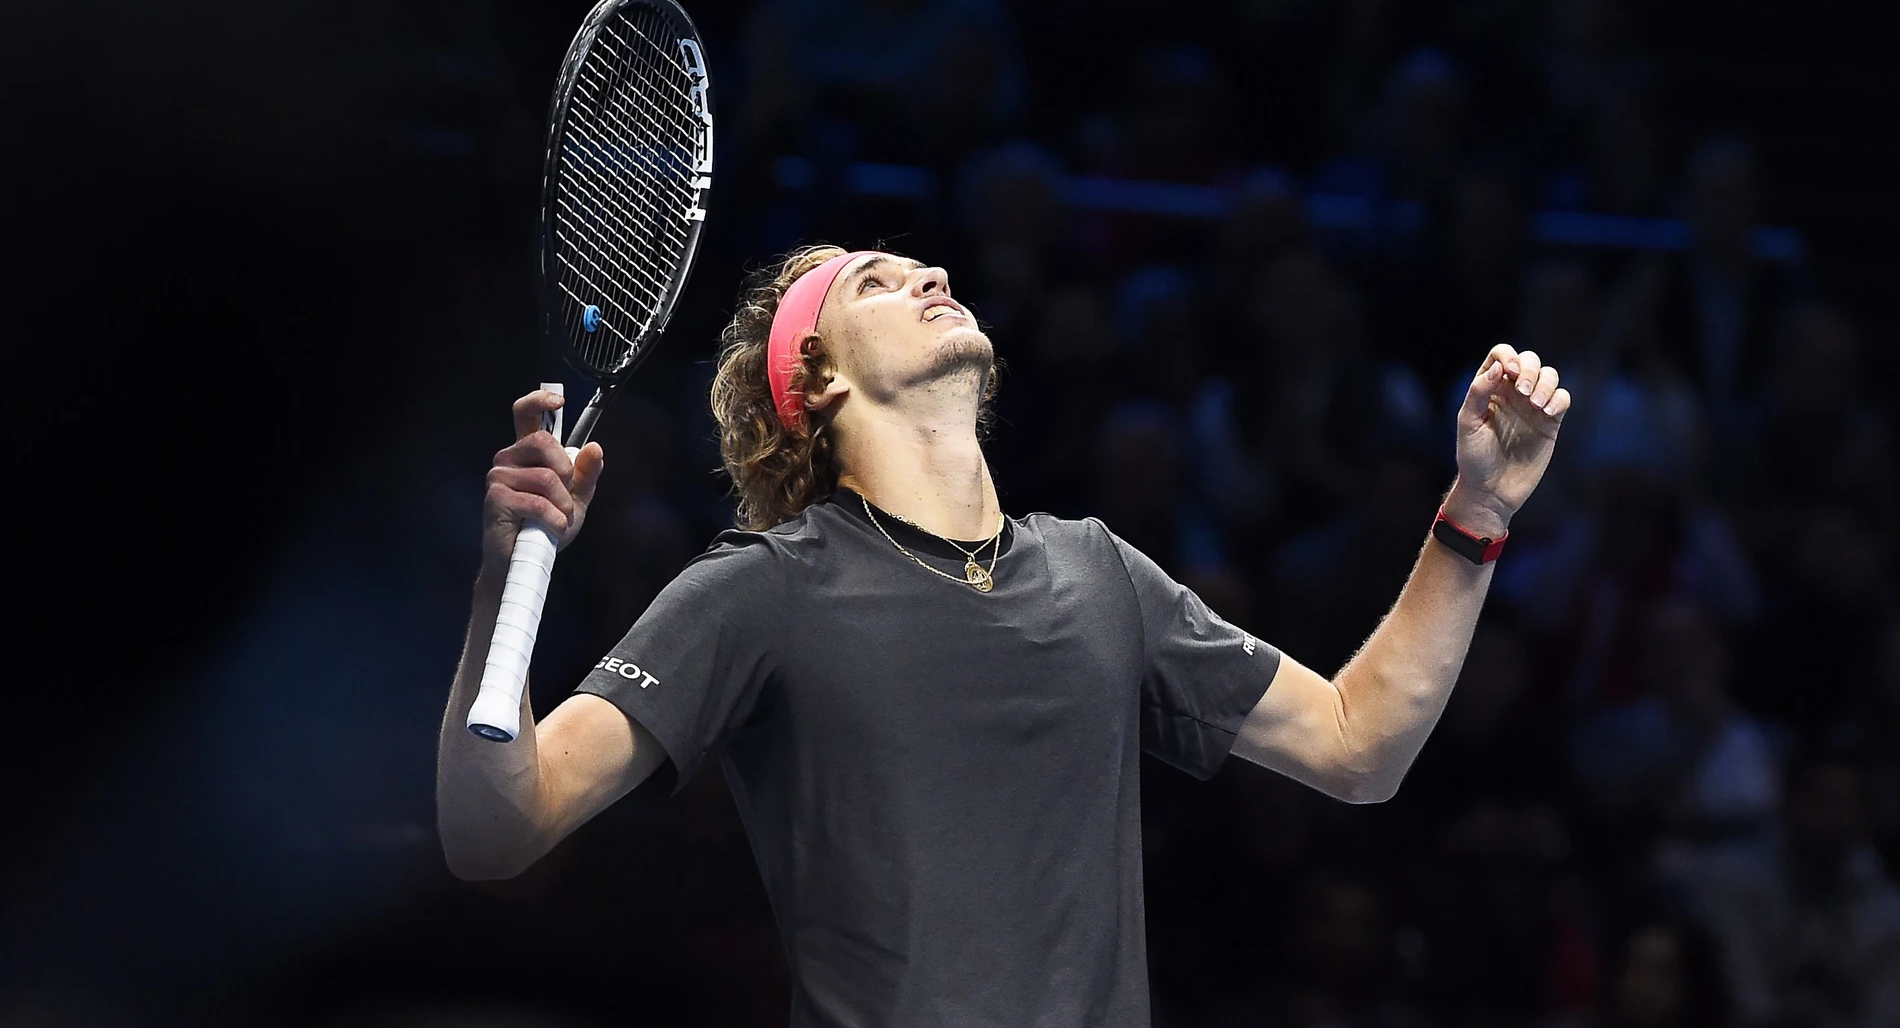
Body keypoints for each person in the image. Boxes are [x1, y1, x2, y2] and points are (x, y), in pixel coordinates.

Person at [435, 245, 1574, 1027]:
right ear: (816, 382)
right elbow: (499, 828)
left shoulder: (1098, 570)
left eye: (922, 269)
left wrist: (1477, 511)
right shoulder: (760, 588)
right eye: (877, 284)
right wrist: (500, 585)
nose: (931, 275)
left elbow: (1359, 744)